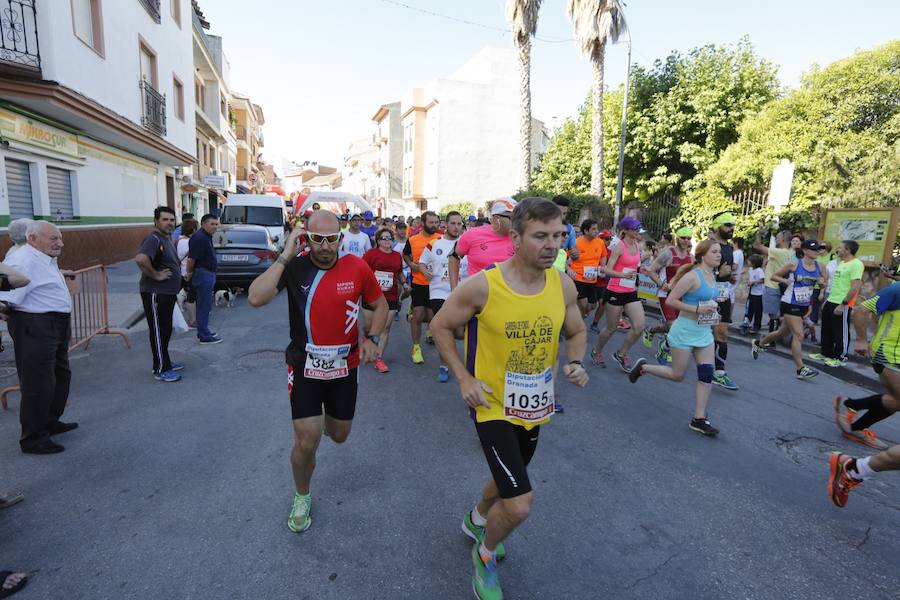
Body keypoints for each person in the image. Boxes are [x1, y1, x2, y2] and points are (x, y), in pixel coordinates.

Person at [429, 197, 588, 600]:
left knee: (505, 484)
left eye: (557, 235)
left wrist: (575, 361)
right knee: (519, 503)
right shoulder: (484, 285)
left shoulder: (562, 283)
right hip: (491, 406)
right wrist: (465, 378)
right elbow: (440, 326)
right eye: (540, 236)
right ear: (515, 237)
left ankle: (476, 519)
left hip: (535, 407)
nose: (551, 244)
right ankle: (484, 557)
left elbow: (576, 331)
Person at [248, 210, 388, 533]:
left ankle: (328, 421)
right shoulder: (295, 266)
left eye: (331, 239)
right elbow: (255, 297)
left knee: (339, 436)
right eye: (316, 239)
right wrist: (285, 254)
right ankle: (302, 494)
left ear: (340, 238)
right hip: (305, 367)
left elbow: (379, 305)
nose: (325, 246)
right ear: (305, 238)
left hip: (345, 367)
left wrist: (373, 338)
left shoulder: (357, 267)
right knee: (306, 441)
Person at [627, 239, 722, 436]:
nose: (719, 255)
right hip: (684, 330)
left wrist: (714, 305)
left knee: (706, 375)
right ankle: (643, 367)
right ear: (703, 255)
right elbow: (671, 300)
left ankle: (699, 418)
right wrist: (697, 308)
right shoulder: (692, 277)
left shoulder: (712, 275)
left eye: (719, 251)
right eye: (714, 252)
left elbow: (706, 299)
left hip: (704, 332)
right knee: (678, 375)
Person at [1, 221, 78, 454]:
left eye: (60, 238)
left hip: (54, 323)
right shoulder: (23, 259)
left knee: (59, 376)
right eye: (54, 238)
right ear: (32, 238)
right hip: (36, 325)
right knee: (38, 383)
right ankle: (33, 438)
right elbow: (6, 294)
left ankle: (49, 421)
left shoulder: (42, 256)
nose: (60, 243)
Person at [827, 282, 900, 507]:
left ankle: (851, 412)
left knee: (897, 401)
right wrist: (860, 339)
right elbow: (861, 309)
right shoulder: (896, 289)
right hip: (889, 354)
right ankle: (854, 467)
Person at [751, 240, 823, 380]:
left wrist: (822, 284)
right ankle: (800, 369)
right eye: (814, 249)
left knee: (781, 333)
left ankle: (758, 343)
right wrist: (786, 281)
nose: (817, 252)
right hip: (790, 302)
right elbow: (774, 276)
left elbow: (823, 281)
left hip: (804, 304)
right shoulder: (794, 264)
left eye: (818, 249)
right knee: (799, 335)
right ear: (806, 250)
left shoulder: (820, 266)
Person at [135, 207, 185, 381]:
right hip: (155, 293)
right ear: (156, 221)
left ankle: (166, 361)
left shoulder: (166, 238)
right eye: (165, 219)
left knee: (165, 330)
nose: (169, 223)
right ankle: (161, 369)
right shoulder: (153, 238)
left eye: (172, 220)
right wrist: (156, 275)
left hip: (167, 293)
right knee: (158, 330)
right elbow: (141, 259)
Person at [590, 216, 646, 372]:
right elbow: (606, 269)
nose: (637, 231)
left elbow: (635, 266)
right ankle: (596, 351)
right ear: (626, 230)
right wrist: (622, 275)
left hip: (631, 292)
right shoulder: (619, 247)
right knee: (611, 328)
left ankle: (621, 354)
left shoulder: (637, 245)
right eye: (634, 229)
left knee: (639, 326)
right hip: (615, 291)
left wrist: (644, 271)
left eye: (638, 228)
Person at [418, 211, 465, 382]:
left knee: (460, 332)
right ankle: (444, 366)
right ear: (446, 224)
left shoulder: (466, 243)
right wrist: (425, 272)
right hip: (439, 291)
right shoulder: (434, 243)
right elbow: (422, 261)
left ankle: (455, 358)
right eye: (453, 223)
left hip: (461, 292)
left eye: (459, 224)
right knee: (445, 330)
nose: (456, 227)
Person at [810, 240, 864, 367]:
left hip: (842, 303)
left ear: (848, 250)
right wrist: (827, 301)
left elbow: (855, 287)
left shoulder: (856, 264)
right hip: (831, 300)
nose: (837, 250)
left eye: (840, 248)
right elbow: (836, 284)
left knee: (841, 331)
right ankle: (826, 353)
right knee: (827, 329)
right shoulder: (842, 263)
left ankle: (841, 357)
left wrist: (843, 304)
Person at [644, 227, 694, 364]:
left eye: (689, 238)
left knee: (679, 325)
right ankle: (663, 350)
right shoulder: (668, 254)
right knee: (673, 325)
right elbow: (651, 271)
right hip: (666, 294)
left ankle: (652, 330)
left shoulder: (691, 257)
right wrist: (661, 284)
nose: (686, 240)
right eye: (683, 237)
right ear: (677, 238)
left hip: (682, 296)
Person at [362, 227, 406, 373]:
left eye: (389, 238)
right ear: (378, 240)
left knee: (385, 328)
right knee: (369, 327)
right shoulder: (371, 254)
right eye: (383, 238)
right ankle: (367, 339)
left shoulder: (396, 256)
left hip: (390, 296)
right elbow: (362, 271)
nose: (387, 241)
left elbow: (399, 272)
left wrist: (405, 283)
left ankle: (379, 358)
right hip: (372, 295)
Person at [449, 198, 516, 290]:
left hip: (508, 297)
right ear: (497, 219)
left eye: (519, 218)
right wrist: (454, 288)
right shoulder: (472, 234)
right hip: (477, 298)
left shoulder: (521, 238)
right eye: (512, 218)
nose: (517, 222)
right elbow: (453, 257)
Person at [403, 211, 442, 363]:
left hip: (436, 284)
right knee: (418, 314)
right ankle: (416, 347)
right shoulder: (413, 240)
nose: (434, 225)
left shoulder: (440, 238)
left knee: (433, 316)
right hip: (419, 282)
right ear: (423, 224)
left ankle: (429, 332)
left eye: (436, 222)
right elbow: (405, 254)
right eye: (431, 222)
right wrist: (411, 264)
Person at [186, 214, 222, 345]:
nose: (215, 227)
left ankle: (204, 331)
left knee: (205, 306)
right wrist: (189, 273)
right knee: (203, 306)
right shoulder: (199, 238)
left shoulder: (205, 236)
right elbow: (191, 259)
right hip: (203, 274)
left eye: (216, 224)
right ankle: (204, 335)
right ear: (204, 224)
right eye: (212, 224)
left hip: (207, 273)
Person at [753, 228, 794, 335]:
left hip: (772, 286)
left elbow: (757, 246)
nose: (776, 238)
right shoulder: (789, 253)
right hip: (779, 286)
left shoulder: (779, 252)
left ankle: (775, 337)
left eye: (778, 236)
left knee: (773, 315)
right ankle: (776, 335)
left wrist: (759, 233)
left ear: (784, 240)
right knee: (775, 314)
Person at [569, 219, 607, 318]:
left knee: (592, 306)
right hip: (578, 277)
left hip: (592, 278)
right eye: (593, 229)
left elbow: (604, 256)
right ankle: (576, 327)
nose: (596, 231)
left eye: (597, 228)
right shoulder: (576, 242)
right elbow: (566, 257)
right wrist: (569, 269)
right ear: (586, 231)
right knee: (583, 304)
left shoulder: (600, 242)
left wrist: (602, 266)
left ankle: (575, 315)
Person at [589, 228, 614, 334]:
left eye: (610, 239)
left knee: (602, 303)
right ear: (600, 239)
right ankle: (581, 316)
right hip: (592, 281)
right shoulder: (593, 249)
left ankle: (595, 323)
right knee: (591, 306)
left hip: (604, 283)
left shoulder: (611, 252)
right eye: (607, 239)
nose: (609, 241)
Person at [176, 218, 198, 328]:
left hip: (183, 271)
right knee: (191, 297)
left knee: (188, 296)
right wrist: (190, 273)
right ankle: (192, 321)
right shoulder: (188, 242)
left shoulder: (180, 240)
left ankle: (190, 320)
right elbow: (191, 259)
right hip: (187, 272)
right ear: (193, 230)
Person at [744, 255, 765, 332]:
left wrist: (754, 282)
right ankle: (747, 322)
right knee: (749, 308)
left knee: (758, 310)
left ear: (754, 263)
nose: (748, 262)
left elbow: (763, 280)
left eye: (749, 261)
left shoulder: (759, 270)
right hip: (752, 292)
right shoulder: (750, 269)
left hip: (759, 294)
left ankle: (757, 325)